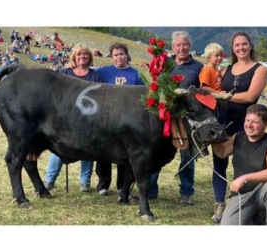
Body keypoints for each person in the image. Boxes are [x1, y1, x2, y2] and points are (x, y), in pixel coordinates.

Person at [210, 32, 267, 223]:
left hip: (247, 124)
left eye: (244, 44)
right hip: (224, 122)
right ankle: (219, 203)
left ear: (250, 46)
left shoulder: (259, 69)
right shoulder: (226, 69)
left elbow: (250, 96)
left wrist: (222, 95)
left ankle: (247, 203)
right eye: (237, 45)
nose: (241, 48)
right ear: (233, 49)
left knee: (244, 164)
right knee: (219, 161)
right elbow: (213, 88)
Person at [150, 31, 204, 205]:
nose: (182, 48)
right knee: (156, 152)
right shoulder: (166, 63)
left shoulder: (197, 67)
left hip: (187, 116)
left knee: (187, 155)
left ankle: (186, 192)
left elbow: (202, 92)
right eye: (178, 45)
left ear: (190, 46)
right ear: (173, 47)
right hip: (164, 115)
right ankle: (151, 190)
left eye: (185, 44)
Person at [211, 104, 267, 225]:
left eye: (255, 122)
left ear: (265, 124)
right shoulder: (238, 137)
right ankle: (256, 219)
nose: (249, 125)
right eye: (247, 120)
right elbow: (222, 152)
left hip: (263, 193)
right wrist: (212, 137)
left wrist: (244, 178)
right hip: (242, 195)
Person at [44, 43, 103, 192]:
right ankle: (49, 179)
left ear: (89, 57)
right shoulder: (65, 73)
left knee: (88, 151)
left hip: (89, 120)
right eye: (79, 54)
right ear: (74, 57)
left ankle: (85, 182)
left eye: (85, 54)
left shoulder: (95, 76)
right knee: (59, 150)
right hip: (66, 120)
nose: (82, 57)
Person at [94, 42, 144, 196]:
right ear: (112, 56)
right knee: (103, 152)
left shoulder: (135, 74)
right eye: (115, 55)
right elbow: (87, 75)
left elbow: (143, 93)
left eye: (121, 54)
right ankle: (103, 184)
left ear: (126, 55)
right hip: (106, 118)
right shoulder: (103, 72)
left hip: (126, 120)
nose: (118, 57)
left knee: (124, 154)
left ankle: (122, 185)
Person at [198, 42, 231, 123]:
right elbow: (204, 87)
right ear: (208, 57)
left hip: (219, 101)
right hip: (212, 102)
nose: (219, 58)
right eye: (216, 56)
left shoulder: (216, 69)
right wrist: (219, 93)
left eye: (221, 55)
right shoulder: (207, 69)